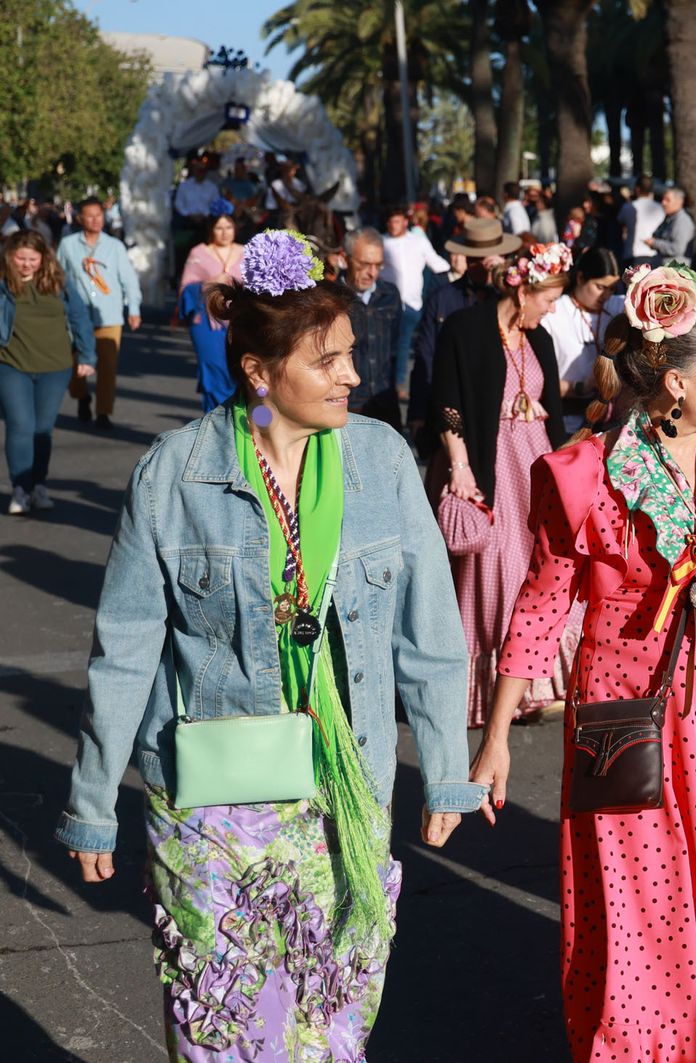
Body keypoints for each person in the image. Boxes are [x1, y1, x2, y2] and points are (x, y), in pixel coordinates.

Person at [55, 229, 484, 1059]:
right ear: (259, 370)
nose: (353, 376)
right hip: (215, 802)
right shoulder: (174, 475)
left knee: (326, 1032)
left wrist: (445, 766)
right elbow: (126, 651)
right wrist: (93, 801)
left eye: (351, 356)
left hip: (342, 794)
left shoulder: (382, 461)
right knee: (223, 1030)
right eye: (328, 360)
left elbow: (430, 632)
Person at [471, 266, 696, 1061]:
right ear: (672, 383)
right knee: (642, 919)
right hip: (629, 724)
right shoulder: (589, 473)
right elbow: (540, 605)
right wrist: (495, 736)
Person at [432, 242, 570, 728]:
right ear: (524, 287)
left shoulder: (542, 340)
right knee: (494, 572)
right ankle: (488, 695)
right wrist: (460, 466)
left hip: (535, 468)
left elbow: (552, 418)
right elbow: (447, 402)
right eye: (548, 299)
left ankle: (537, 686)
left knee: (541, 568)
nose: (552, 309)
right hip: (491, 466)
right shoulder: (465, 329)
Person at [1, 230, 95, 514]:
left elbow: (80, 318)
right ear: (10, 257)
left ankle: (38, 485)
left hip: (55, 366)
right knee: (20, 425)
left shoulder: (59, 283)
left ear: (43, 258)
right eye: (21, 258)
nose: (27, 264)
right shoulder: (3, 284)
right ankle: (20, 487)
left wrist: (87, 354)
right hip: (11, 364)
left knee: (42, 430)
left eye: (33, 258)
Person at [407, 216, 520, 435]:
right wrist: (417, 413)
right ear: (467, 259)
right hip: (450, 407)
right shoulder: (443, 298)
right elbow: (425, 356)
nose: (484, 266)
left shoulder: (512, 299)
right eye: (476, 259)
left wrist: (504, 283)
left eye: (488, 259)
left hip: (501, 411)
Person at [57, 197, 141, 429]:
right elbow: (58, 279)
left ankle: (103, 412)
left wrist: (133, 308)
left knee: (107, 366)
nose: (95, 220)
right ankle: (81, 395)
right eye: (90, 215)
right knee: (75, 365)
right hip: (76, 315)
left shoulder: (115, 246)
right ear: (80, 218)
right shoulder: (68, 245)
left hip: (109, 314)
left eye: (99, 215)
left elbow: (129, 280)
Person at [543, 246, 621, 436]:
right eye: (600, 287)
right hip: (566, 419)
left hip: (608, 421)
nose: (606, 295)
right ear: (580, 278)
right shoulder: (554, 313)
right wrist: (582, 386)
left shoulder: (616, 306)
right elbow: (540, 383)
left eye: (611, 289)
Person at [380, 203, 450, 404]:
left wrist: (455, 272)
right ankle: (393, 385)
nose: (394, 225)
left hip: (412, 304)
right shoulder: (381, 242)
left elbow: (435, 262)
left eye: (397, 221)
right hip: (387, 304)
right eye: (390, 221)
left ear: (405, 221)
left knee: (404, 345)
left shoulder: (417, 241)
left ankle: (400, 384)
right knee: (391, 346)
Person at [177, 203, 244, 411]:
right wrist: (209, 283)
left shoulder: (247, 252)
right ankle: (213, 418)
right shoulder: (198, 253)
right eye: (219, 228)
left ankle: (238, 422)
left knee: (239, 370)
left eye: (229, 227)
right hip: (207, 322)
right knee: (213, 368)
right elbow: (185, 290)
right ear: (211, 229)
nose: (224, 233)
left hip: (240, 320)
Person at [339, 228, 404, 429]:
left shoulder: (390, 294)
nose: (372, 273)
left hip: (385, 404)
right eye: (365, 264)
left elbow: (396, 348)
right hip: (348, 406)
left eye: (378, 265)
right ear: (345, 258)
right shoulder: (332, 299)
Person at [618, 175, 664, 267]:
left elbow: (620, 221)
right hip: (653, 253)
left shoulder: (628, 207)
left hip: (632, 253)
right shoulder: (660, 208)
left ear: (637, 189)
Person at [647, 186, 696, 264]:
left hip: (675, 271)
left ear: (679, 202)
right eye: (663, 199)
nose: (663, 203)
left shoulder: (682, 221)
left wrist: (655, 243)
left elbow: (677, 248)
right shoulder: (669, 218)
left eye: (667, 200)